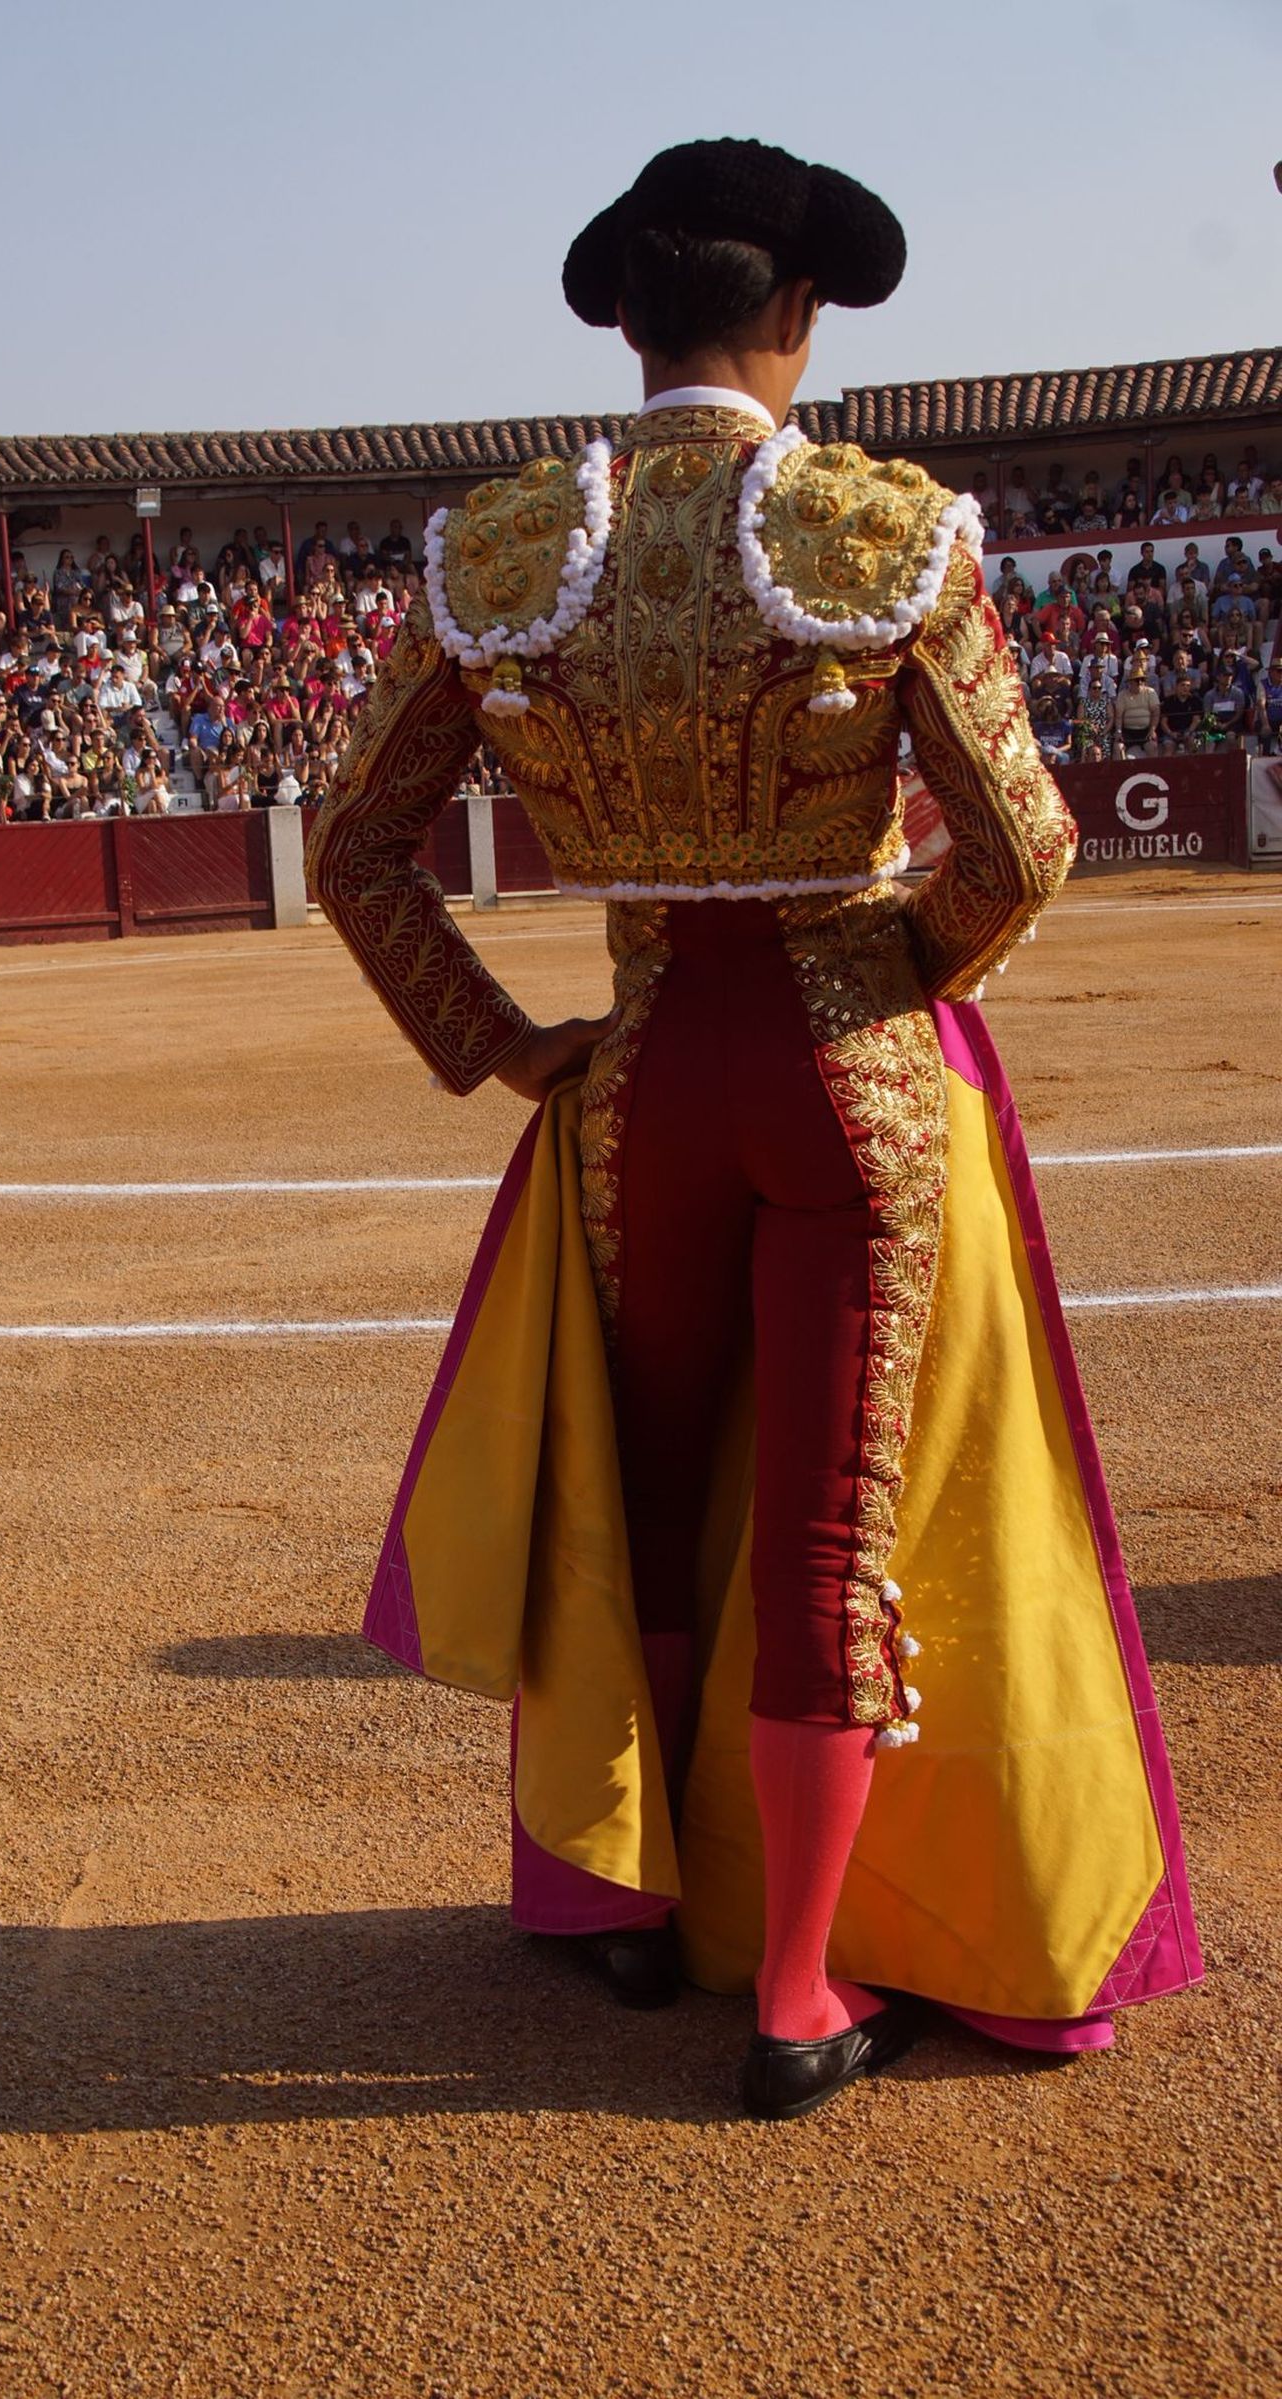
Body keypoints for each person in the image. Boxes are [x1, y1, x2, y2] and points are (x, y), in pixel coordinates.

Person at [307, 135, 1200, 2122]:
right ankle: (793, 1990)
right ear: (793, 323)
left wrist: (506, 1044)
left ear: (626, 324)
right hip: (840, 1074)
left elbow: (353, 854)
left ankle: (622, 1899)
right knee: (820, 1528)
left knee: (634, 1485)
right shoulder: (886, 537)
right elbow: (1026, 846)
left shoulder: (502, 551)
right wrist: (901, 977)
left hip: (634, 1085)